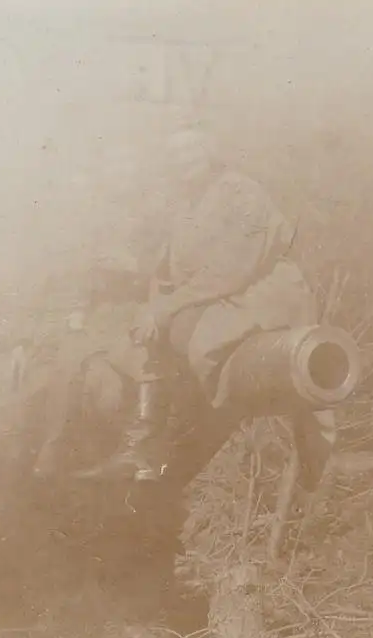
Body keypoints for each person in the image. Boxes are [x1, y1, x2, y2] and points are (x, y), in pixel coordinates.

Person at [81, 127, 339, 483]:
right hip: (214, 294)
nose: (182, 160)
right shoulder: (187, 203)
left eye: (191, 150)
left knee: (202, 345)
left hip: (262, 293)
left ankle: (189, 444)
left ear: (211, 152)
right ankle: (143, 447)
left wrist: (169, 307)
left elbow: (232, 269)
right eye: (175, 153)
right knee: (141, 339)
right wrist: (154, 306)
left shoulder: (242, 192)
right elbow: (170, 269)